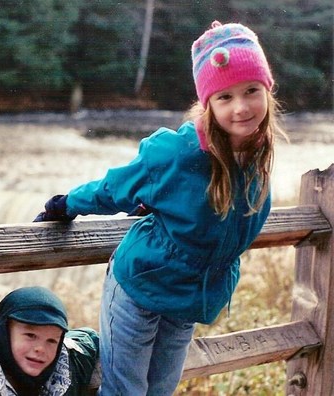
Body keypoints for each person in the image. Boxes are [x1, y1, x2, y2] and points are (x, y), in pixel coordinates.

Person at [34, 21, 287, 395]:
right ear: (208, 104)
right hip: (140, 286)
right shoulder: (177, 152)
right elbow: (116, 186)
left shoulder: (258, 154)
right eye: (224, 97)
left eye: (251, 91)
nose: (241, 107)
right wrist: (67, 204)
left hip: (188, 298)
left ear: (267, 90)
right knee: (126, 391)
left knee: (161, 390)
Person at [0, 286, 100, 396]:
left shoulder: (73, 361)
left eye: (51, 340)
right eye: (30, 335)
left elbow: (96, 343)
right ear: (4, 333)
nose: (40, 349)